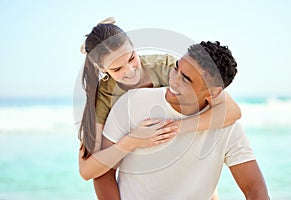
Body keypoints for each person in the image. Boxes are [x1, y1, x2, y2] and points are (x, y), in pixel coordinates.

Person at [78, 18, 241, 199]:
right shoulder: (103, 96)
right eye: (117, 69)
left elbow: (232, 110)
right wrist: (132, 141)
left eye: (132, 58)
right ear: (102, 68)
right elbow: (87, 170)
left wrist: (176, 128)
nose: (130, 70)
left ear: (134, 47)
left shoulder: (166, 67)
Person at [101, 41, 269, 199]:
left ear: (213, 93)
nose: (173, 81)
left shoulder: (227, 127)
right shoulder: (133, 103)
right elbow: (103, 174)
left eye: (186, 79)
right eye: (176, 69)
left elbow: (254, 188)